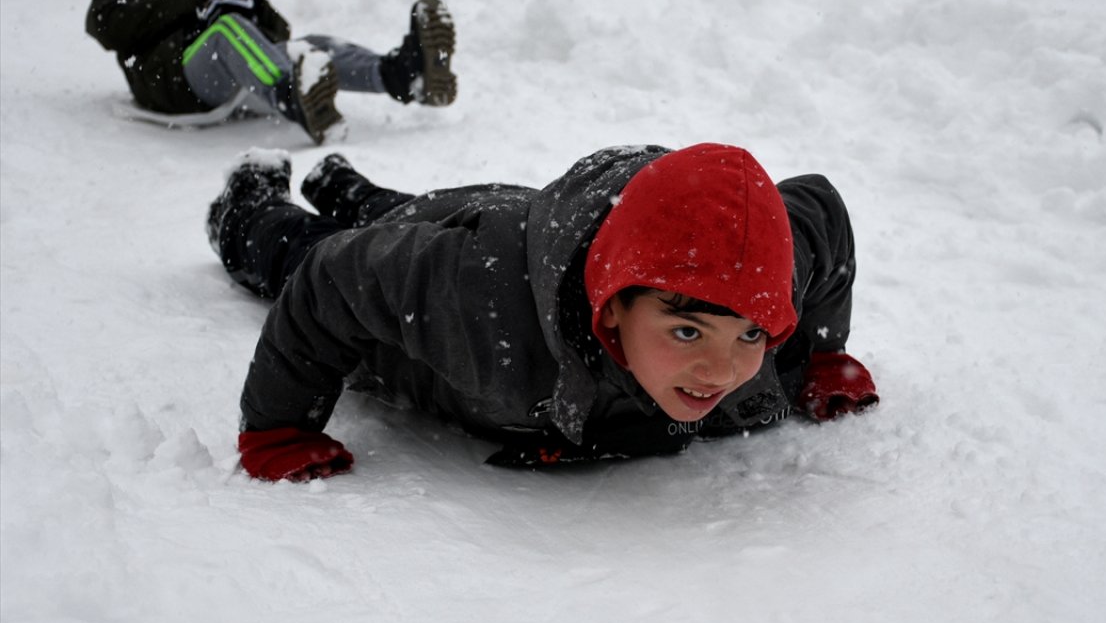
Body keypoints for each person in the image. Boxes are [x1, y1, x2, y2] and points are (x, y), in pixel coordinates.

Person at [207, 143, 880, 481]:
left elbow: (818, 209)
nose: (722, 368)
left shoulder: (760, 286)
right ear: (613, 311)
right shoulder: (475, 307)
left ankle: (343, 184)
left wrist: (820, 354)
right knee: (306, 251)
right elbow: (334, 281)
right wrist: (281, 428)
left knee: (411, 221)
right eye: (686, 331)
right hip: (455, 290)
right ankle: (247, 205)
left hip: (541, 227)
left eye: (751, 334)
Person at [86, 0, 457, 144]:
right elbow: (103, 21)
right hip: (170, 79)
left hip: (232, 71)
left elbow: (278, 34)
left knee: (308, 45)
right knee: (227, 30)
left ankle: (401, 74)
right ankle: (295, 95)